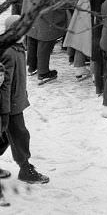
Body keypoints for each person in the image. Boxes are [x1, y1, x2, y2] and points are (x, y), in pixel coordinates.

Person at [0, 15, 49, 184]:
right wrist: (5, 111)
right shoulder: (8, 52)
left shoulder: (18, 48)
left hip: (14, 102)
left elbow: (18, 79)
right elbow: (5, 85)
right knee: (20, 135)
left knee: (5, 137)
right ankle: (25, 170)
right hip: (8, 105)